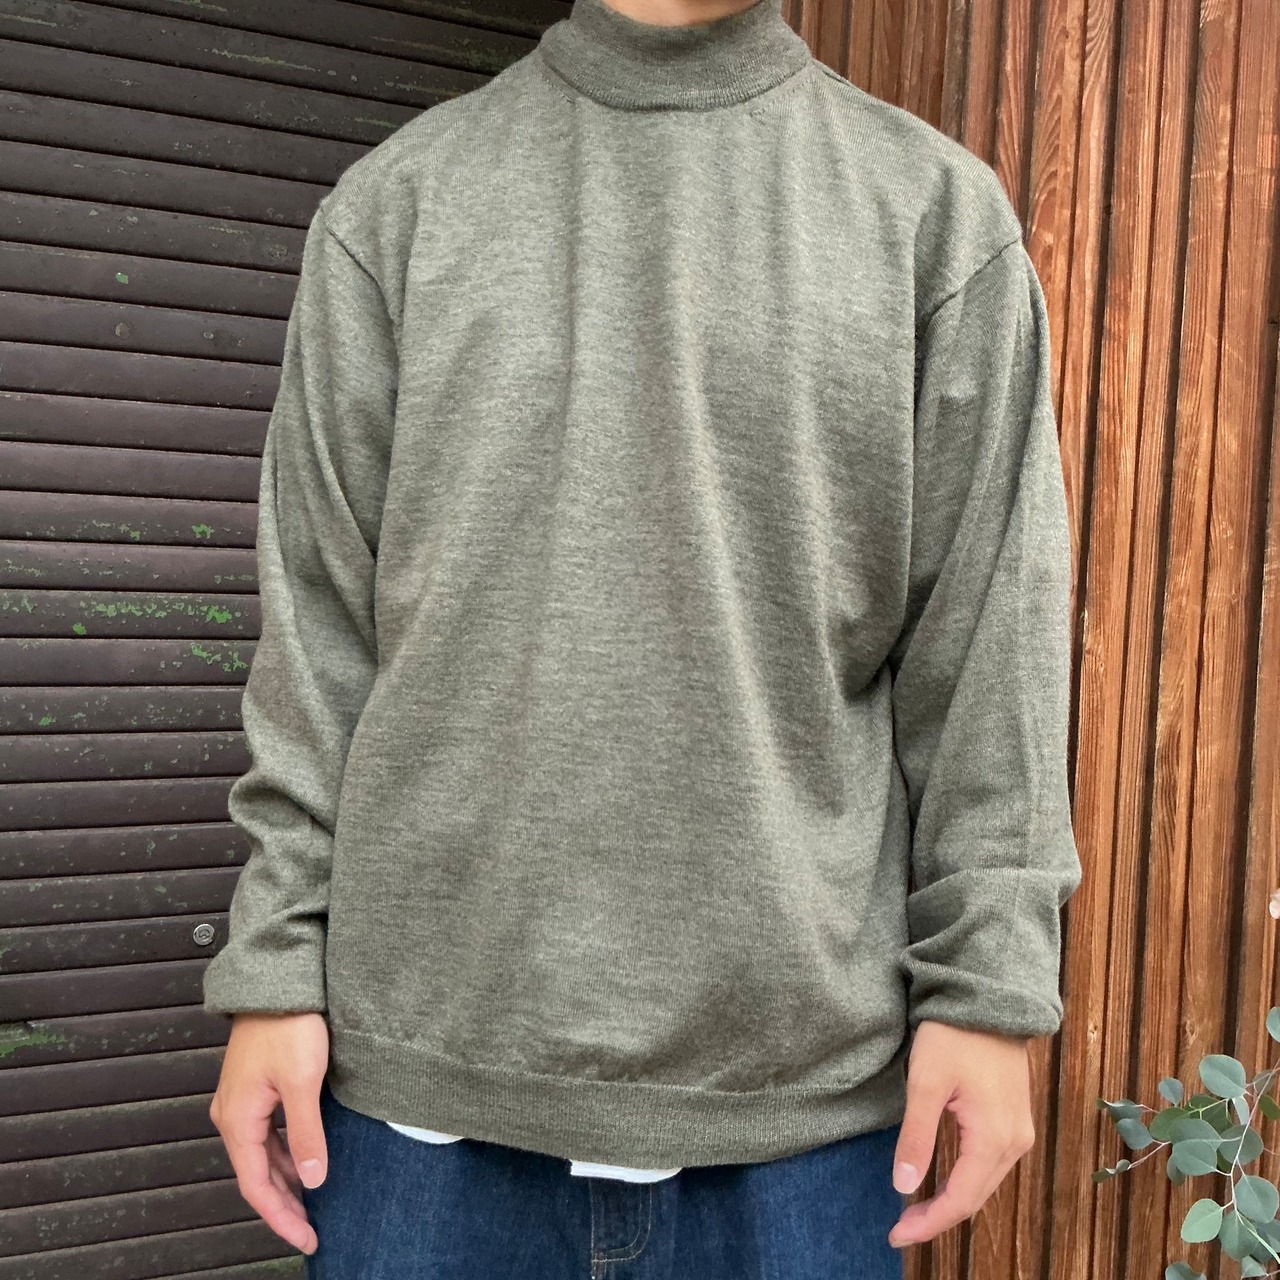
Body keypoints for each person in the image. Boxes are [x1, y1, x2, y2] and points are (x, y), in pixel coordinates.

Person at [201, 0, 1084, 1273]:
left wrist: (989, 988)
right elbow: (317, 631)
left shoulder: (933, 220)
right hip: (416, 1112)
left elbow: (988, 647)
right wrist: (275, 965)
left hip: (803, 1125)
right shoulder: (397, 208)